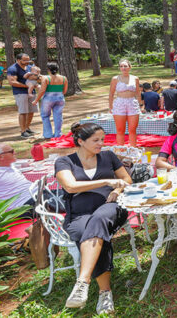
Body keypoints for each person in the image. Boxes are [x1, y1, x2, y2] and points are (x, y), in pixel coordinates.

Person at [54, 123, 131, 313]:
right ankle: (105, 294)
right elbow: (70, 186)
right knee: (86, 233)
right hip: (79, 214)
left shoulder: (108, 156)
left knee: (98, 221)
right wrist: (106, 181)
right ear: (80, 141)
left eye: (102, 139)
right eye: (96, 140)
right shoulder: (65, 162)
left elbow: (127, 179)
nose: (101, 144)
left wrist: (117, 188)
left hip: (111, 207)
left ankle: (83, 281)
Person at [0, 144, 36, 215]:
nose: (15, 153)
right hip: (23, 206)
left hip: (35, 196)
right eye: (11, 151)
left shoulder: (10, 166)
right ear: (0, 156)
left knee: (54, 193)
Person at [108, 59, 141, 147]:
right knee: (120, 130)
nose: (123, 68)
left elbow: (138, 92)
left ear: (129, 67)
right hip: (120, 103)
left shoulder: (135, 78)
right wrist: (110, 106)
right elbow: (111, 93)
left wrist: (141, 104)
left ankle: (133, 150)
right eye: (121, 66)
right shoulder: (115, 79)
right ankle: (121, 151)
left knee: (132, 129)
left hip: (132, 103)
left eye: (125, 66)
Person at [32, 62, 68, 138]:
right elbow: (64, 91)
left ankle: (48, 134)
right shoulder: (64, 78)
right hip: (60, 98)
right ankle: (58, 134)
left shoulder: (46, 78)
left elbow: (42, 91)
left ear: (48, 70)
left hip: (48, 99)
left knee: (45, 116)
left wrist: (36, 100)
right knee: (58, 116)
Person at [7, 53, 38, 138]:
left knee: (31, 111)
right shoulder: (12, 68)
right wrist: (27, 86)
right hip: (20, 93)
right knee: (23, 112)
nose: (27, 61)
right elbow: (12, 82)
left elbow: (35, 77)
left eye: (28, 59)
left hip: (31, 92)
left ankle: (27, 128)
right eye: (25, 60)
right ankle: (23, 131)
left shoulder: (29, 67)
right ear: (18, 60)